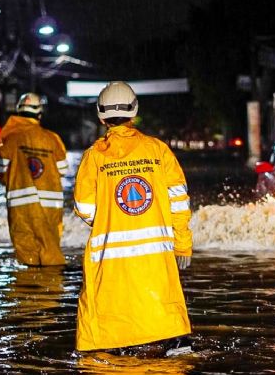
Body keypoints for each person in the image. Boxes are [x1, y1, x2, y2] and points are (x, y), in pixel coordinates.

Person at [73, 81, 192, 355]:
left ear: (100, 116)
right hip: (156, 260)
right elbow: (179, 201)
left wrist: (111, 219)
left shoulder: (94, 158)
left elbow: (84, 207)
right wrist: (183, 243)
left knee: (107, 335)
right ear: (134, 111)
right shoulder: (158, 150)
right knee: (167, 324)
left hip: (110, 260)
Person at [0, 93, 68, 266]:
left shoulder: (11, 139)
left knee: (27, 255)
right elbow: (63, 169)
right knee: (51, 248)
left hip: (22, 205)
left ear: (18, 113)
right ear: (39, 115)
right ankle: (53, 286)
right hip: (51, 204)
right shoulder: (52, 139)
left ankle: (30, 286)